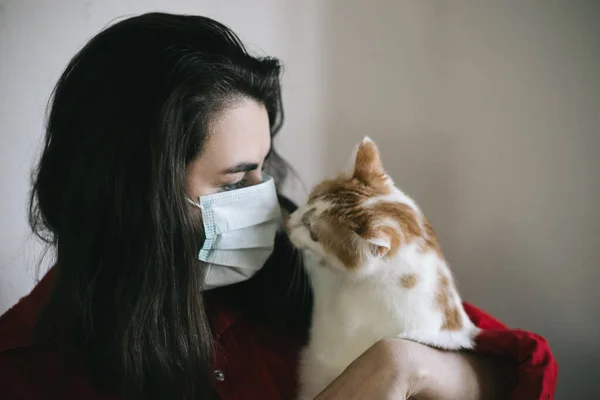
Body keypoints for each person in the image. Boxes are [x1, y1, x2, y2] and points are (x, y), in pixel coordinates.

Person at [0, 12, 557, 400]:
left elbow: (518, 369)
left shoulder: (308, 271)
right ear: (126, 194)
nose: (266, 204)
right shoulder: (26, 370)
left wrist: (402, 365)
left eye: (263, 168)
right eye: (235, 180)